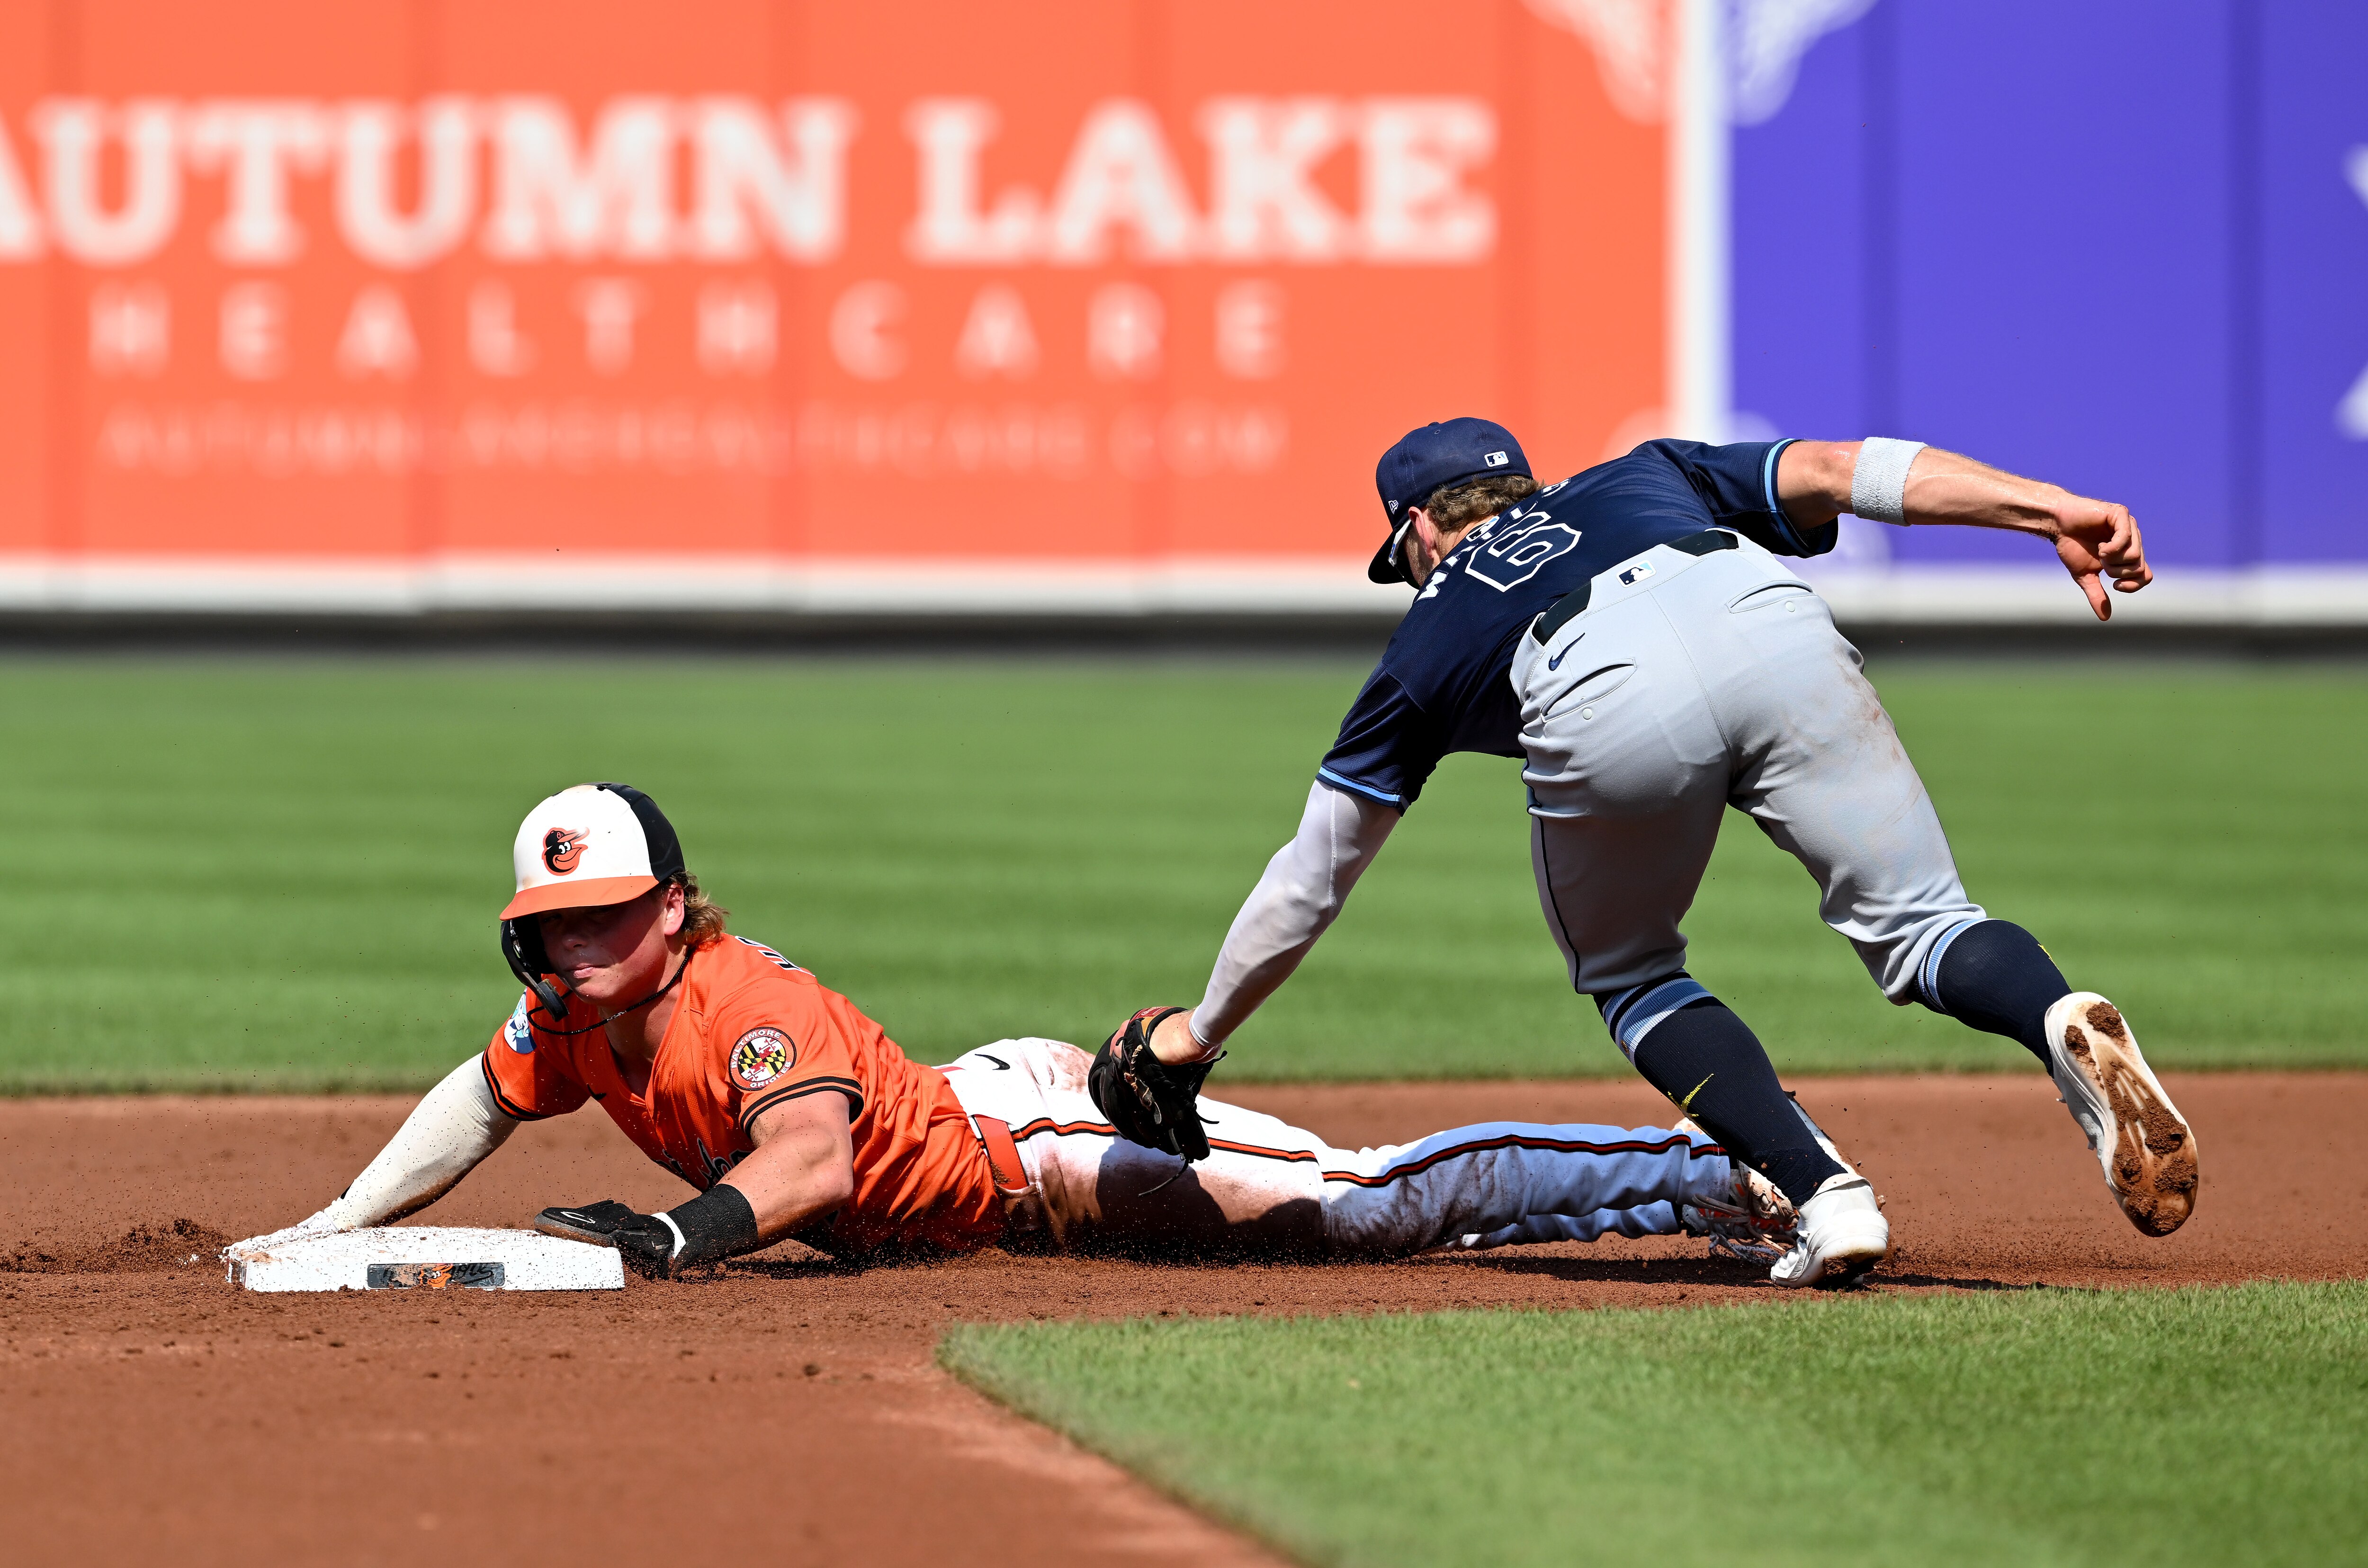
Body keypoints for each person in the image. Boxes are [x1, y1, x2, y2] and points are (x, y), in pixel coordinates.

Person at [1106, 422, 2198, 1288]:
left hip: (1596, 682)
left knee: (1632, 977)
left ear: (1419, 533)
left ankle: (1829, 1200)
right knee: (1928, 927)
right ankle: (2055, 1016)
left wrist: (1196, 1039)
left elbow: (1314, 874)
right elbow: (1839, 469)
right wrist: (2046, 507)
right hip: (1759, 613)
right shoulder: (1639, 475)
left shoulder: (1435, 619)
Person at [231, 781, 1797, 1278]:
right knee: (1323, 1223)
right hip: (982, 1134)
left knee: (1359, 1204)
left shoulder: (738, 1003)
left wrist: (668, 1239)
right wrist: (341, 1216)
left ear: (674, 907)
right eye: (556, 927)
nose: (577, 946)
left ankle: (1726, 1176)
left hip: (1033, 1147)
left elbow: (811, 1164)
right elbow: (477, 1098)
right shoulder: (578, 1017)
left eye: (607, 915)